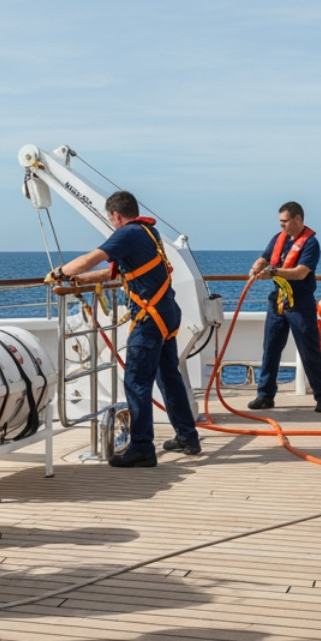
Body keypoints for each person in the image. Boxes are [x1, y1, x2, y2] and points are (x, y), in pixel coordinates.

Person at [49, 190, 202, 466]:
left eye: (111, 218)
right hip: (165, 313)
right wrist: (81, 280)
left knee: (136, 382)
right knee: (169, 377)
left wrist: (61, 272)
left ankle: (142, 447)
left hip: (149, 319)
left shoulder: (126, 233)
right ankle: (187, 436)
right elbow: (117, 273)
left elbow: (90, 258)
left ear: (116, 215)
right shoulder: (148, 233)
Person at [246, 202, 321, 414]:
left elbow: (301, 272)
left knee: (309, 349)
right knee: (271, 347)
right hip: (278, 300)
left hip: (300, 302)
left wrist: (273, 272)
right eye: (280, 222)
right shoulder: (278, 238)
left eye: (285, 221)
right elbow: (264, 257)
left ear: (297, 219)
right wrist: (256, 267)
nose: (282, 226)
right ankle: (265, 395)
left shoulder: (311, 243)